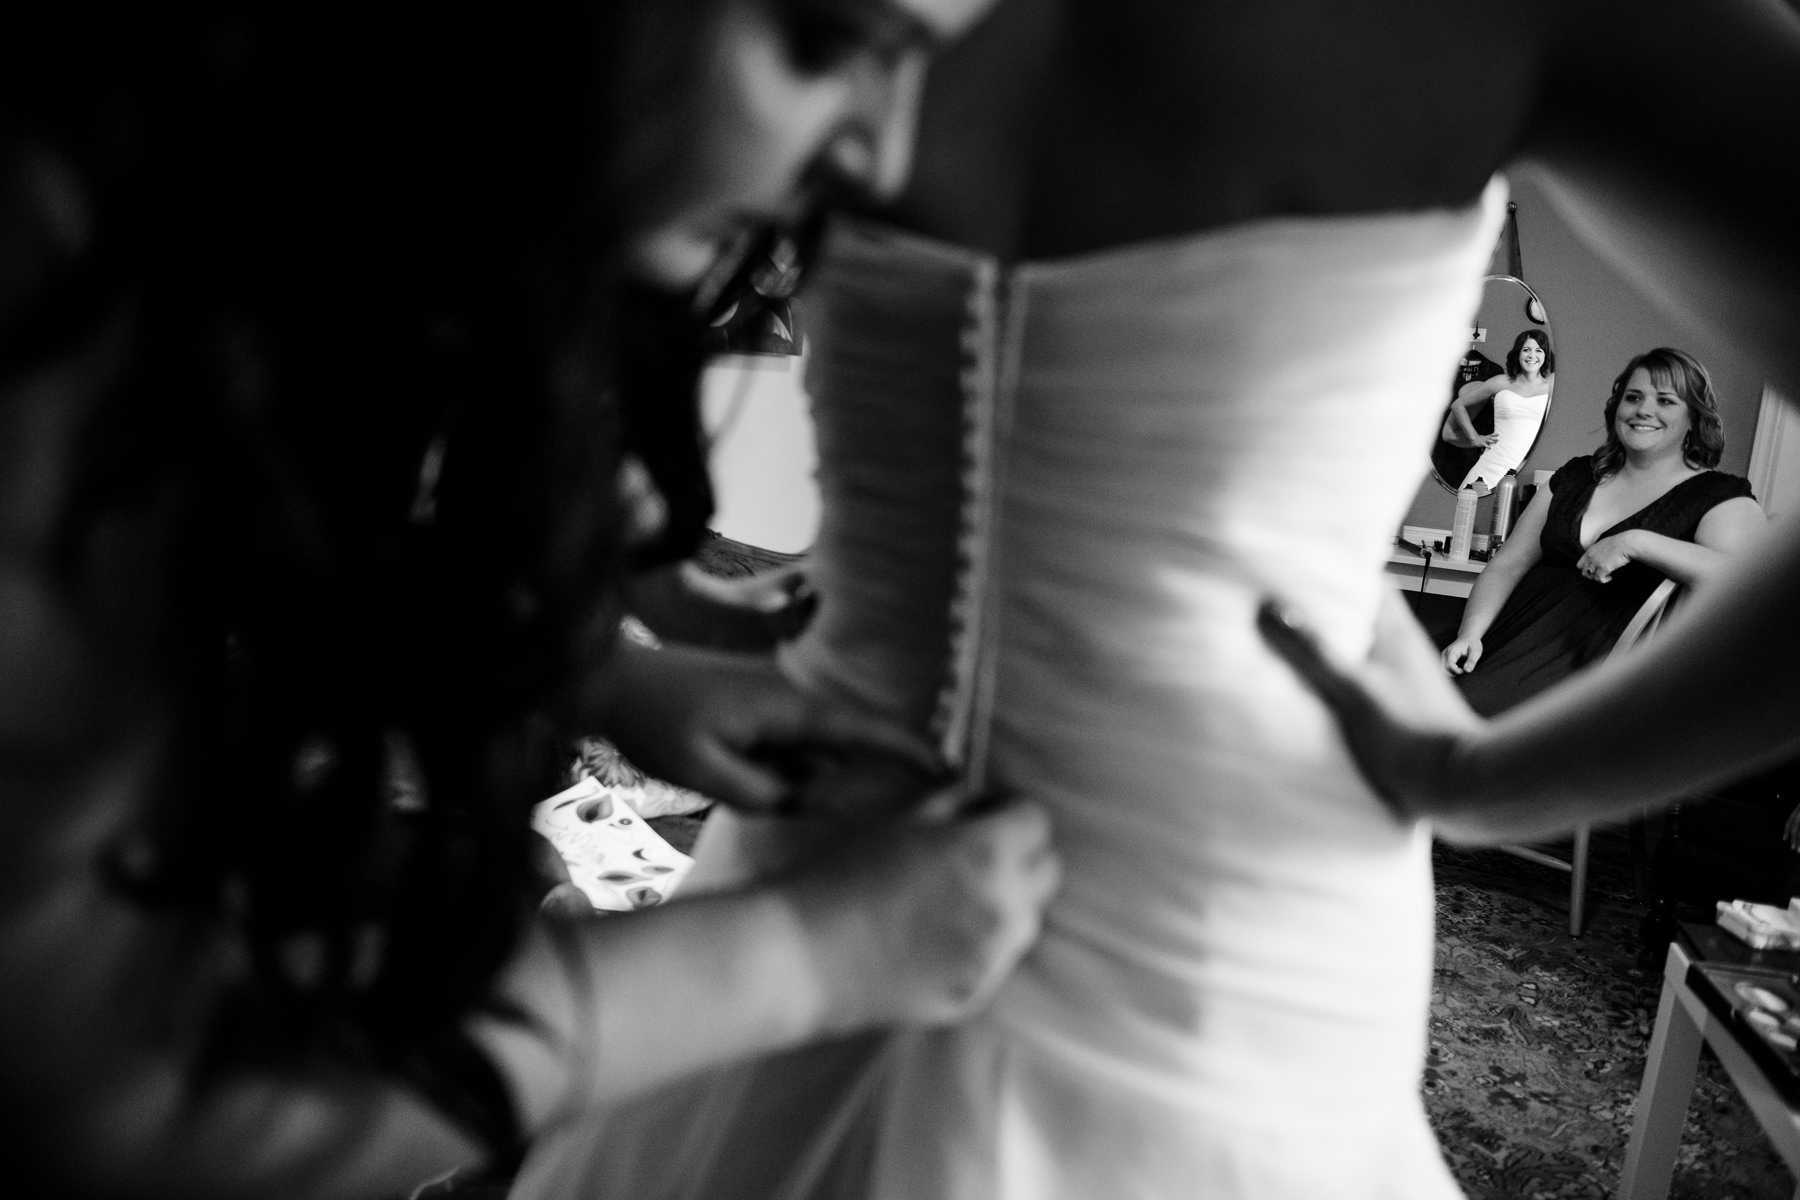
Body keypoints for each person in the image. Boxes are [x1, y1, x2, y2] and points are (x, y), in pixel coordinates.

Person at [511, 1, 1800, 1198]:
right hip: (1171, 881)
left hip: (875, 834)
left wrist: (647, 592)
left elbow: (489, 259)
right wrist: (1496, 787)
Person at [0, 2, 1057, 1197]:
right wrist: (807, 956)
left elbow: (243, 538)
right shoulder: (55, 274)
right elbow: (130, 1094)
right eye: (825, 43)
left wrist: (596, 673)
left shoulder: (254, 202)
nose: (884, 155)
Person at [1443, 348, 1764, 715]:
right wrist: (1470, 633)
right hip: (1502, 637)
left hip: (1585, 670)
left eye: (1666, 401)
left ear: (1693, 417)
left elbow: (1751, 581)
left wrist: (1638, 542)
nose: (1644, 409)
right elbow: (1508, 564)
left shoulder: (1716, 494)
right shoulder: (1577, 475)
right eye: (1633, 397)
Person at [1442, 329, 1555, 492]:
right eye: (1526, 350)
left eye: (1539, 350)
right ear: (1518, 353)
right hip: (1490, 467)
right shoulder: (1500, 382)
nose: (1532, 355)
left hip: (1527, 467)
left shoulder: (1552, 385)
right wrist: (1474, 438)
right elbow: (1458, 405)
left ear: (1546, 355)